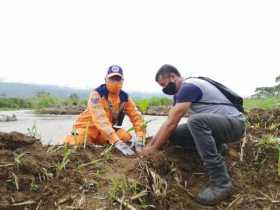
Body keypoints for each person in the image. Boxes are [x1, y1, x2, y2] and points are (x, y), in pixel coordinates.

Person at [141, 64, 245, 205]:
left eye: (164, 84)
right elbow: (168, 123)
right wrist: (151, 144)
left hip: (235, 125)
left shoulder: (189, 87)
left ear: (173, 76)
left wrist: (153, 150)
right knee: (174, 133)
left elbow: (172, 122)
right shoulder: (181, 93)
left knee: (196, 121)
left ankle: (221, 182)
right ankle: (218, 148)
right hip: (219, 127)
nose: (164, 89)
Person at [64, 65, 146, 156]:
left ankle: (106, 144)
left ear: (122, 81)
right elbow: (100, 119)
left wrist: (140, 137)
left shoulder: (125, 98)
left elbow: (136, 117)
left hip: (103, 134)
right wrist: (116, 141)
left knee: (124, 136)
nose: (115, 82)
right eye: (112, 79)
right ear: (105, 79)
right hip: (86, 129)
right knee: (77, 141)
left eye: (117, 79)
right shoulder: (97, 94)